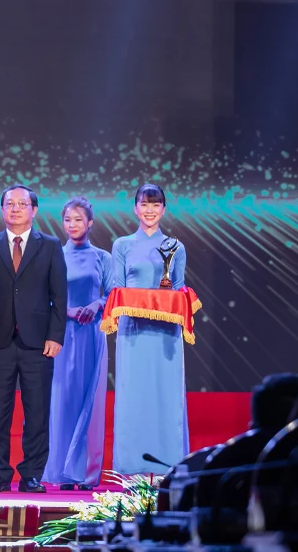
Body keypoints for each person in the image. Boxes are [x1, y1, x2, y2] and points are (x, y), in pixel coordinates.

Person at [0, 185, 67, 493]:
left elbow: (60, 295)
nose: (16, 208)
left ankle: (32, 474)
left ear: (34, 210)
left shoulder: (50, 246)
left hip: (39, 344)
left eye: (22, 204)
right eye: (10, 203)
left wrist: (56, 335)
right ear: (2, 210)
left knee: (37, 412)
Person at [111, 183, 190, 474]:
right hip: (133, 333)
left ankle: (168, 466)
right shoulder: (122, 245)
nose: (150, 210)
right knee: (133, 397)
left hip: (166, 334)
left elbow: (179, 289)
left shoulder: (175, 246)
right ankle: (131, 467)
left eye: (155, 205)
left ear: (164, 210)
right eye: (144, 204)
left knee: (165, 397)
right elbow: (117, 289)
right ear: (135, 209)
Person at [44, 196, 112, 489]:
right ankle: (62, 471)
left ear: (90, 223)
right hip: (62, 335)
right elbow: (44, 296)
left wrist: (96, 305)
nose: (72, 225)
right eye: (68, 220)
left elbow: (113, 293)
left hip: (92, 334)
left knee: (91, 400)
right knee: (63, 400)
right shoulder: (54, 256)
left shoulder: (103, 257)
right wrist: (67, 310)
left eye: (78, 220)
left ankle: (86, 473)